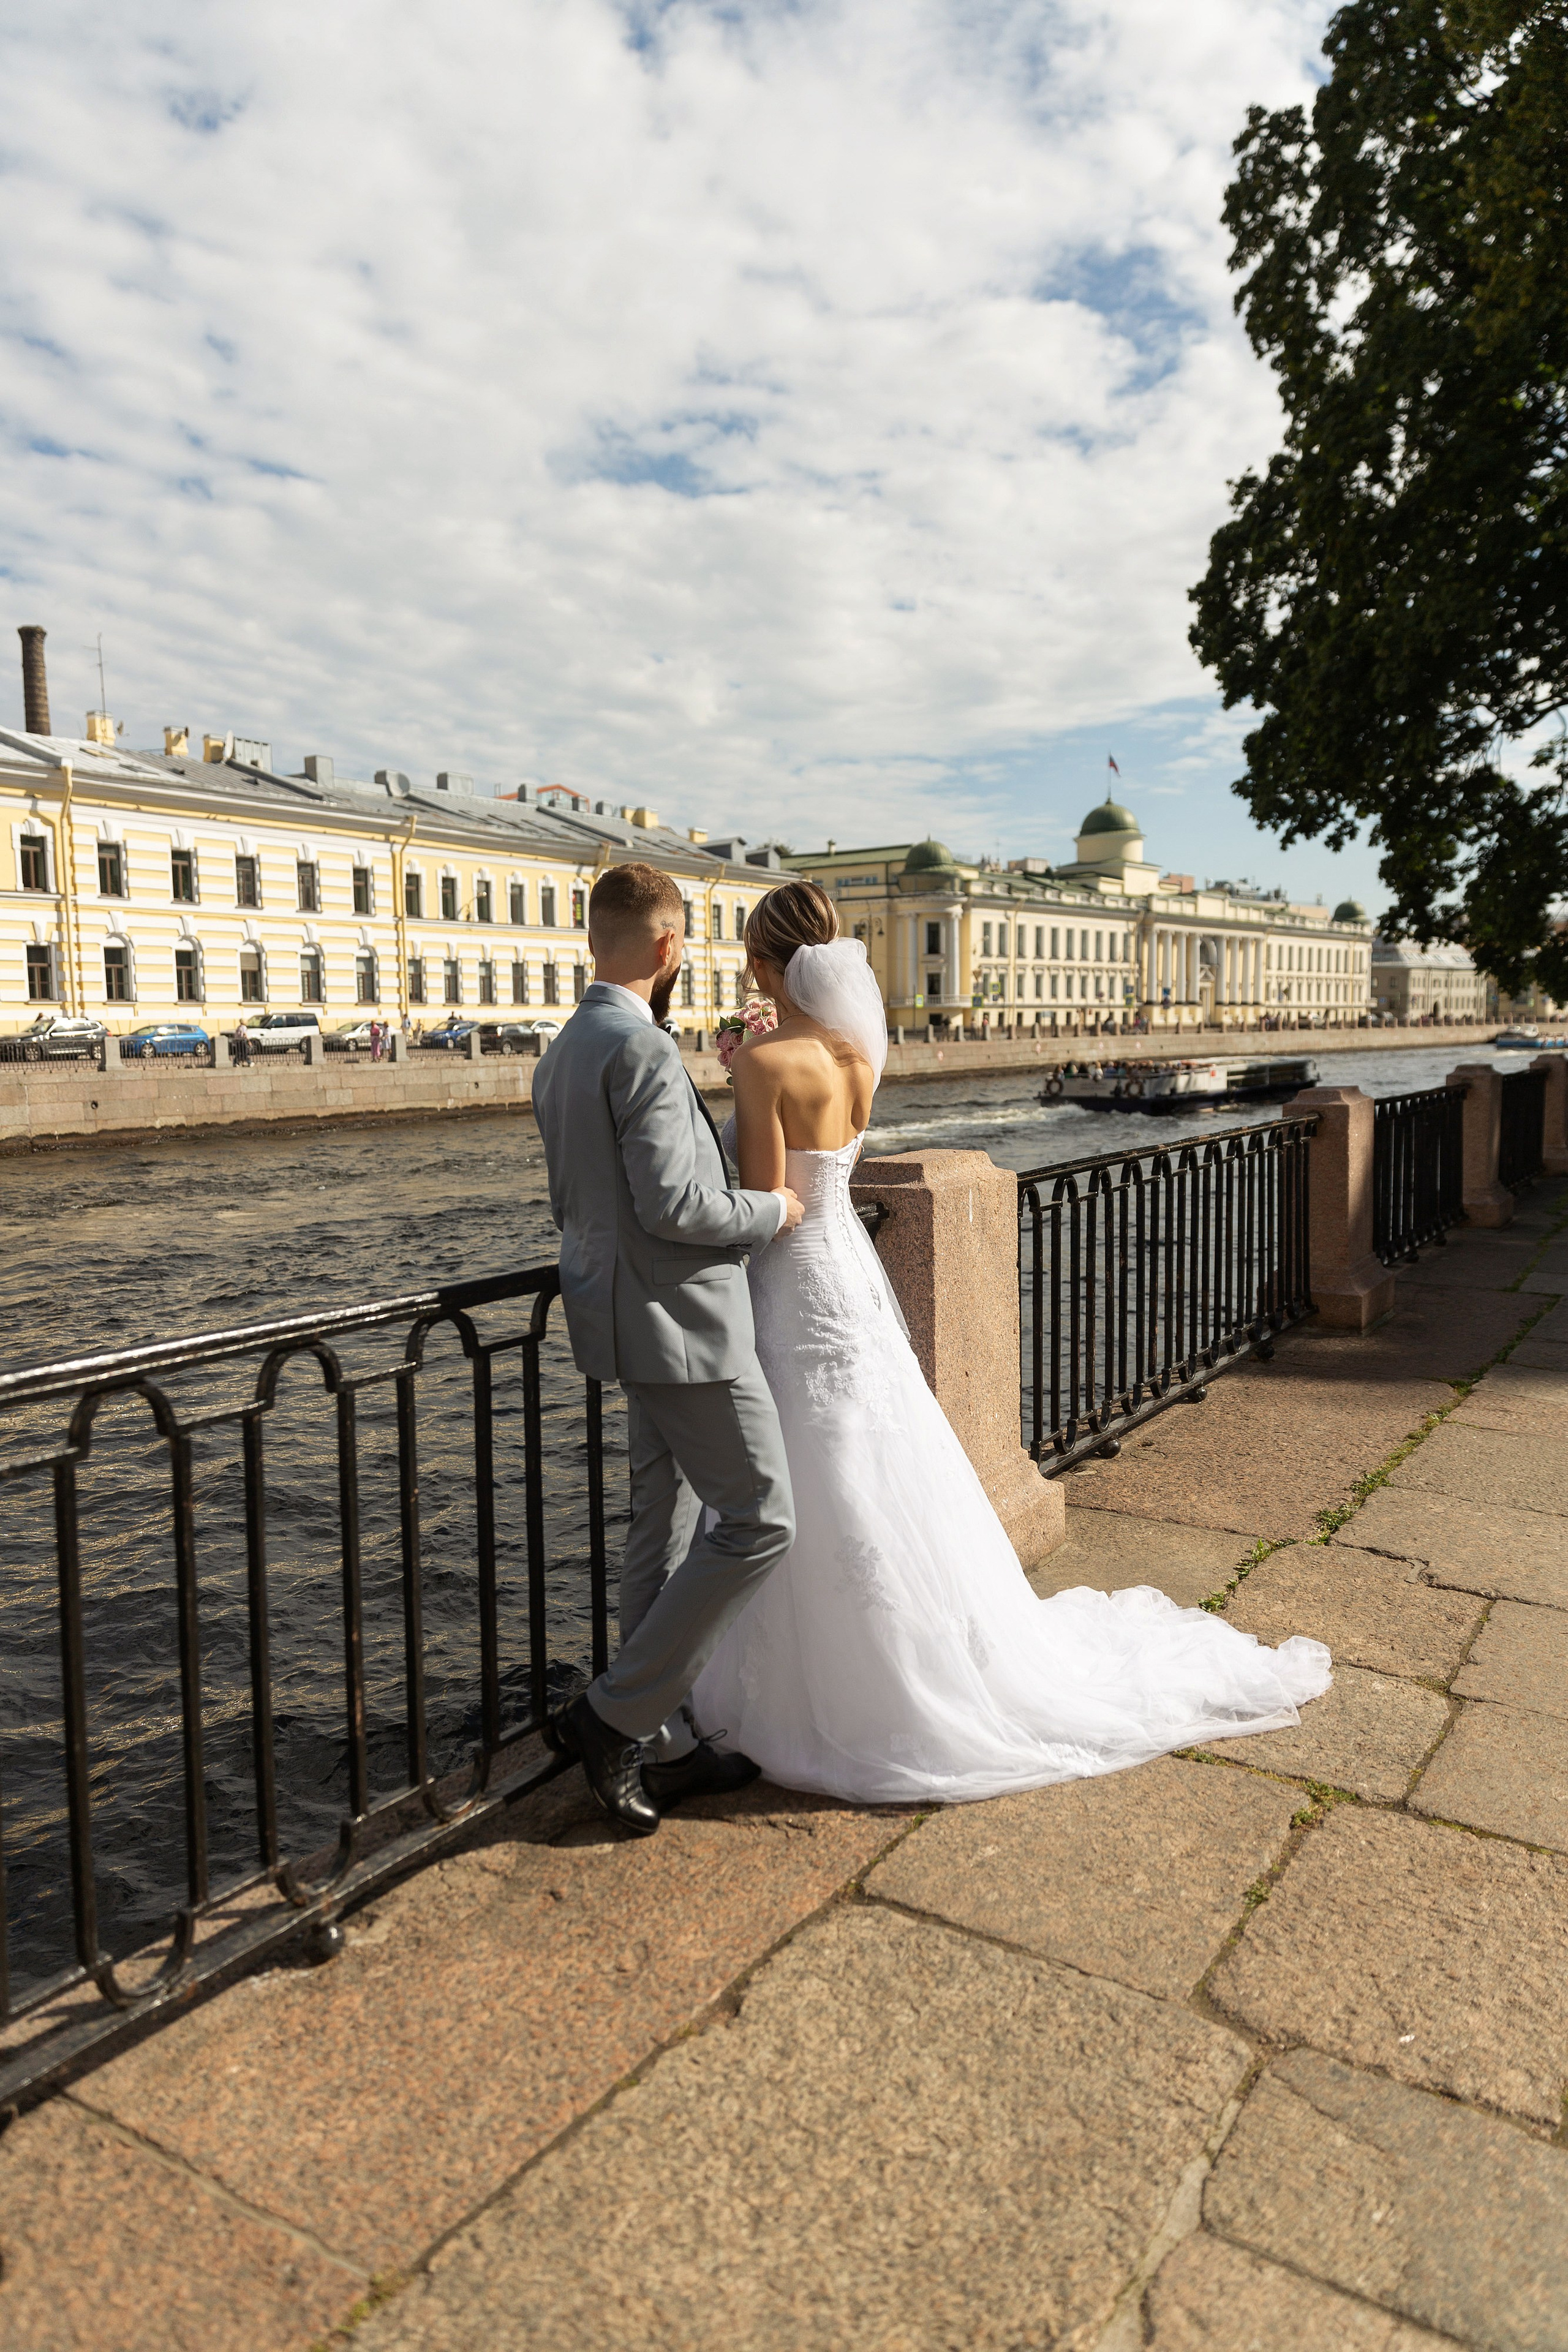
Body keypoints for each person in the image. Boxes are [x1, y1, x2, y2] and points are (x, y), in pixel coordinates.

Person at [689, 878, 1332, 1804]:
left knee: (790, 1463)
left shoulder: (761, 1063)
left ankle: (781, 1682)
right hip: (849, 1282)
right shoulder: (853, 1058)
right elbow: (829, 1180)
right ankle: (906, 1660)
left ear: (761, 964)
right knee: (871, 1454)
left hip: (795, 1279)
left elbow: (769, 1211)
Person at [530, 862, 806, 1834]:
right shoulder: (641, 1050)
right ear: (666, 946)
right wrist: (771, 1210)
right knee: (762, 1517)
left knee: (664, 1521)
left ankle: (667, 1740)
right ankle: (613, 1718)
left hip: (615, 1322)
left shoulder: (563, 1048)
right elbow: (676, 1205)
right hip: (685, 1322)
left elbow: (590, 1203)